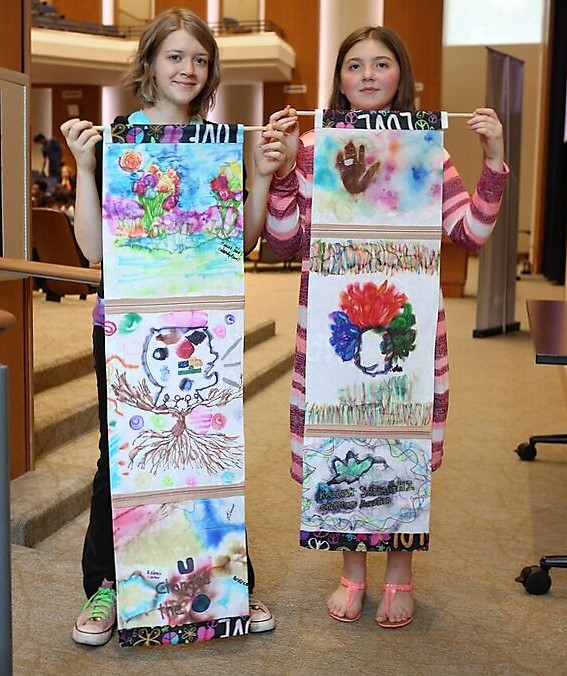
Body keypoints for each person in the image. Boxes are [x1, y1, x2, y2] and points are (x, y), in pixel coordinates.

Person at [262, 26, 508, 628]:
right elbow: (283, 241)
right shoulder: (314, 147)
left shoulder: (429, 152)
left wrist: (495, 160)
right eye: (354, 65)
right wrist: (284, 171)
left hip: (407, 332)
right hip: (333, 332)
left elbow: (469, 234)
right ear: (339, 80)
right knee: (339, 440)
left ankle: (399, 571)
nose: (368, 74)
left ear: (401, 76)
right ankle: (351, 570)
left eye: (381, 63)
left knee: (398, 442)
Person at [60, 7, 288, 647]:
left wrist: (263, 175)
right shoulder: (117, 144)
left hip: (205, 333)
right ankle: (109, 586)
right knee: (123, 457)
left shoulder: (217, 146)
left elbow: (239, 241)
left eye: (200, 58)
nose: (188, 69)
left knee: (211, 459)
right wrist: (82, 167)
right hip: (130, 334)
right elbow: (92, 253)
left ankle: (229, 584)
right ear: (149, 65)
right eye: (175, 56)